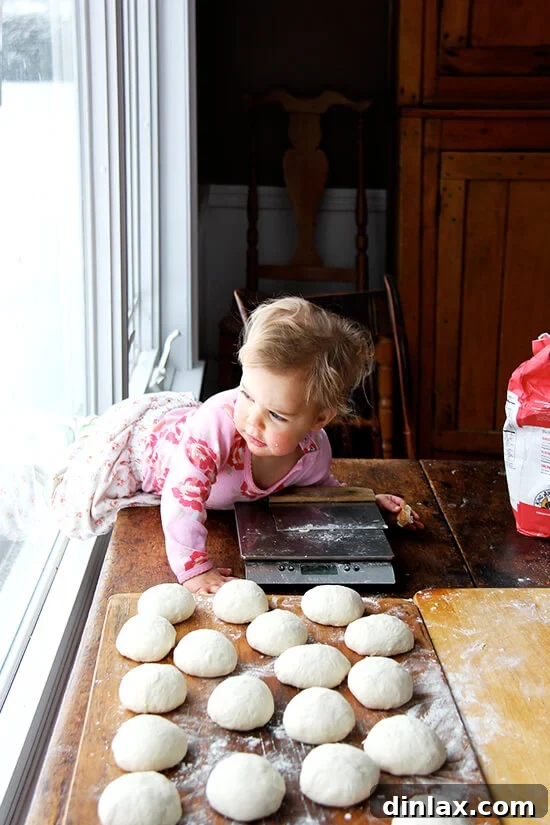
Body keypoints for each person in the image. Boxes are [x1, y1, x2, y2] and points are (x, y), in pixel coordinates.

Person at [51, 297, 422, 593]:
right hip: (143, 446)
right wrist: (194, 570)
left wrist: (361, 504)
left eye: (276, 415)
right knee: (73, 469)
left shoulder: (313, 452)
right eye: (246, 394)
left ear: (318, 420)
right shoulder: (220, 422)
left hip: (184, 442)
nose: (253, 419)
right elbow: (182, 497)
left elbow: (318, 491)